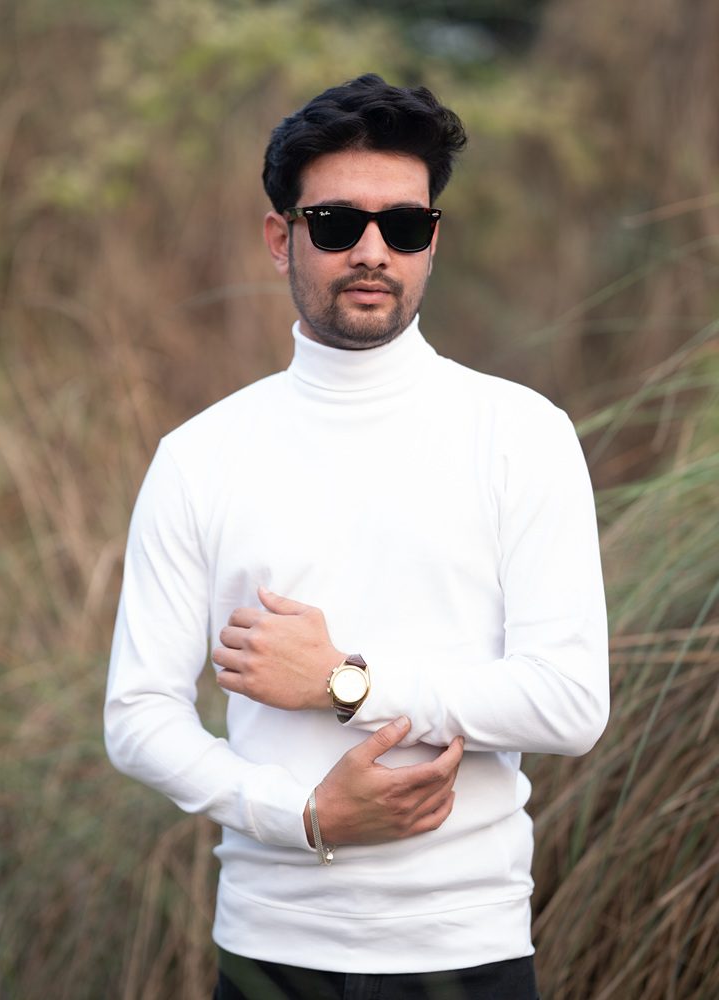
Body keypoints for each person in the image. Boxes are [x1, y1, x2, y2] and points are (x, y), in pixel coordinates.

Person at [104, 73, 609, 1000]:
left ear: (432, 241)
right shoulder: (202, 455)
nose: (373, 251)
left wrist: (349, 683)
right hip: (270, 946)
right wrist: (300, 812)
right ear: (281, 238)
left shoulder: (521, 433)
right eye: (337, 223)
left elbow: (570, 703)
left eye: (404, 226)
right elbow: (138, 716)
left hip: (466, 949)